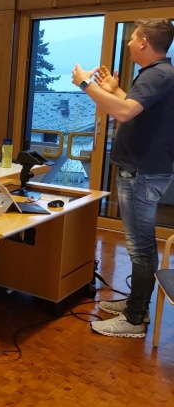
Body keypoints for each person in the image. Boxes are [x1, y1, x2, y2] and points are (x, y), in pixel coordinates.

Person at [72, 19, 174, 338]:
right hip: (143, 170)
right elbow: (132, 110)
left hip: (142, 173)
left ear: (143, 42)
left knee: (140, 248)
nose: (129, 43)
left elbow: (124, 113)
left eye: (132, 38)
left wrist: (85, 84)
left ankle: (133, 319)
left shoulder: (158, 74)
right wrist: (115, 92)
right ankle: (136, 305)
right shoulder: (158, 73)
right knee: (140, 246)